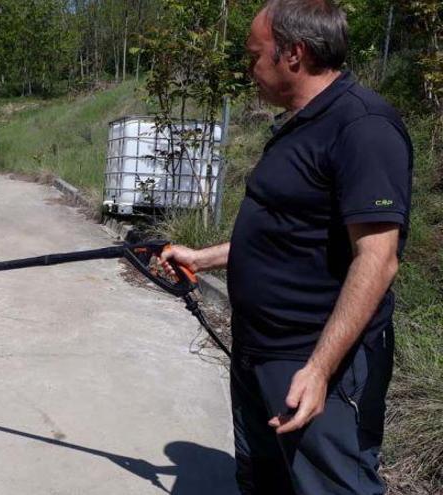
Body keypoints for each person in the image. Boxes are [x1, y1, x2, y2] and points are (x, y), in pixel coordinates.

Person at [161, 1, 413, 493]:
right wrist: (203, 257)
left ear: (293, 53)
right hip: (260, 349)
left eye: (255, 55)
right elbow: (287, 230)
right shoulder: (302, 122)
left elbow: (378, 260)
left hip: (315, 360)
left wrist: (319, 370)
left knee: (330, 485)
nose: (248, 68)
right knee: (262, 477)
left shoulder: (363, 128)